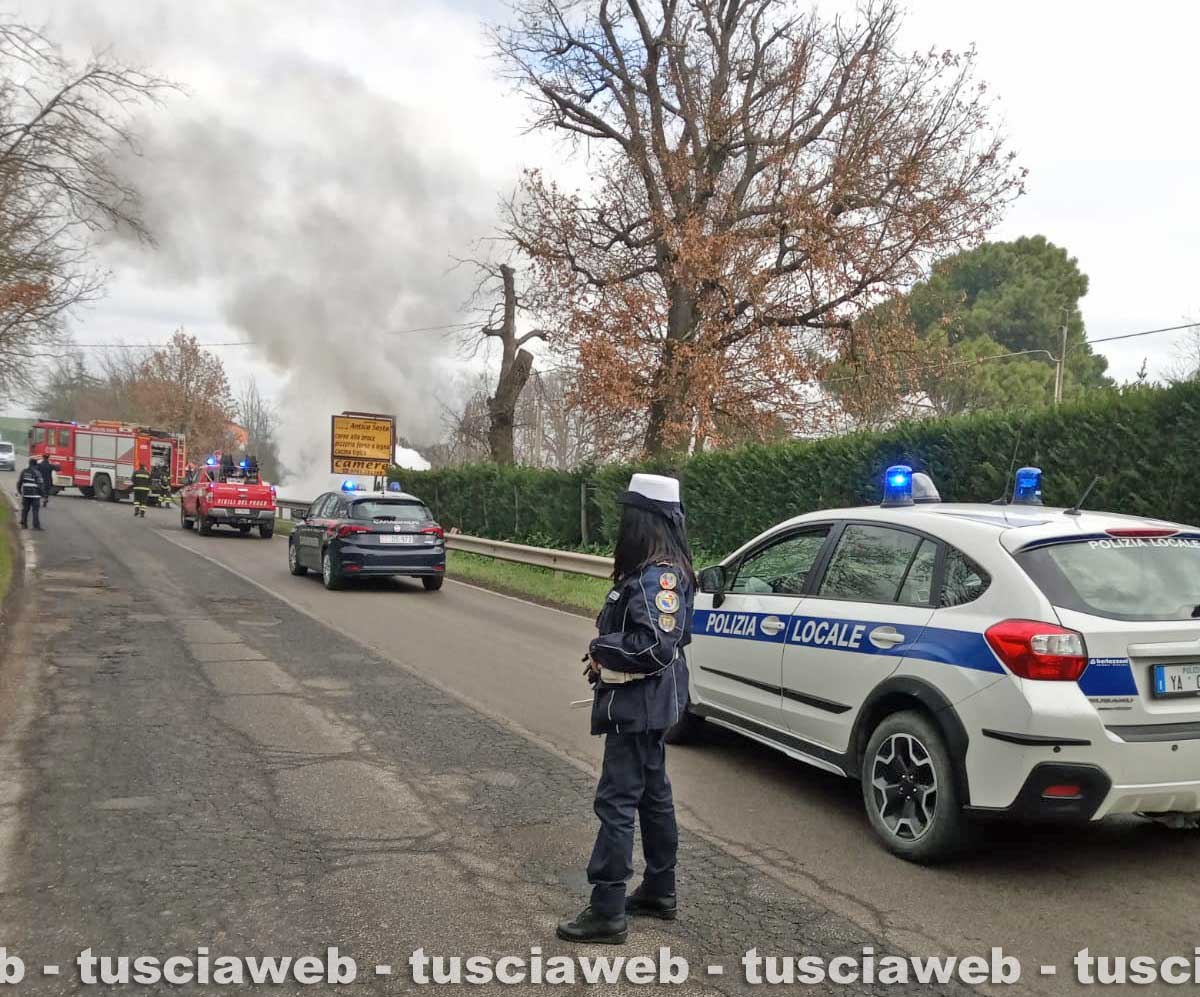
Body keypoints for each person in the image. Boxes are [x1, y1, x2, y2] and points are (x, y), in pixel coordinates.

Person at [557, 473, 696, 945]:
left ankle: (607, 910)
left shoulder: (658, 575)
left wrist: (602, 649)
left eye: (627, 516)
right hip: (652, 704)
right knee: (653, 795)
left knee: (616, 801)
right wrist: (608, 655)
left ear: (643, 520)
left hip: (638, 708)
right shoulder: (661, 570)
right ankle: (659, 890)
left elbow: (655, 646)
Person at [16, 457, 44, 530]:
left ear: (29, 464)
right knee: (35, 510)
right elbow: (40, 484)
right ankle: (36, 526)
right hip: (35, 495)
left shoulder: (24, 471)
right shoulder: (37, 473)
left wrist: (19, 491)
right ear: (35, 465)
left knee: (25, 509)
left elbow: (19, 482)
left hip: (26, 494)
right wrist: (42, 494)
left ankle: (24, 525)